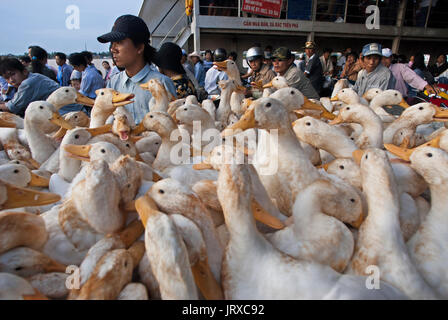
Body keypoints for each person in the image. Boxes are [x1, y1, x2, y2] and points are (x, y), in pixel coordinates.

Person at [97, 14, 176, 124]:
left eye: (119, 42)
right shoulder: (113, 83)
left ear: (139, 47)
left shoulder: (162, 83)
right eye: (112, 44)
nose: (113, 49)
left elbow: (171, 127)